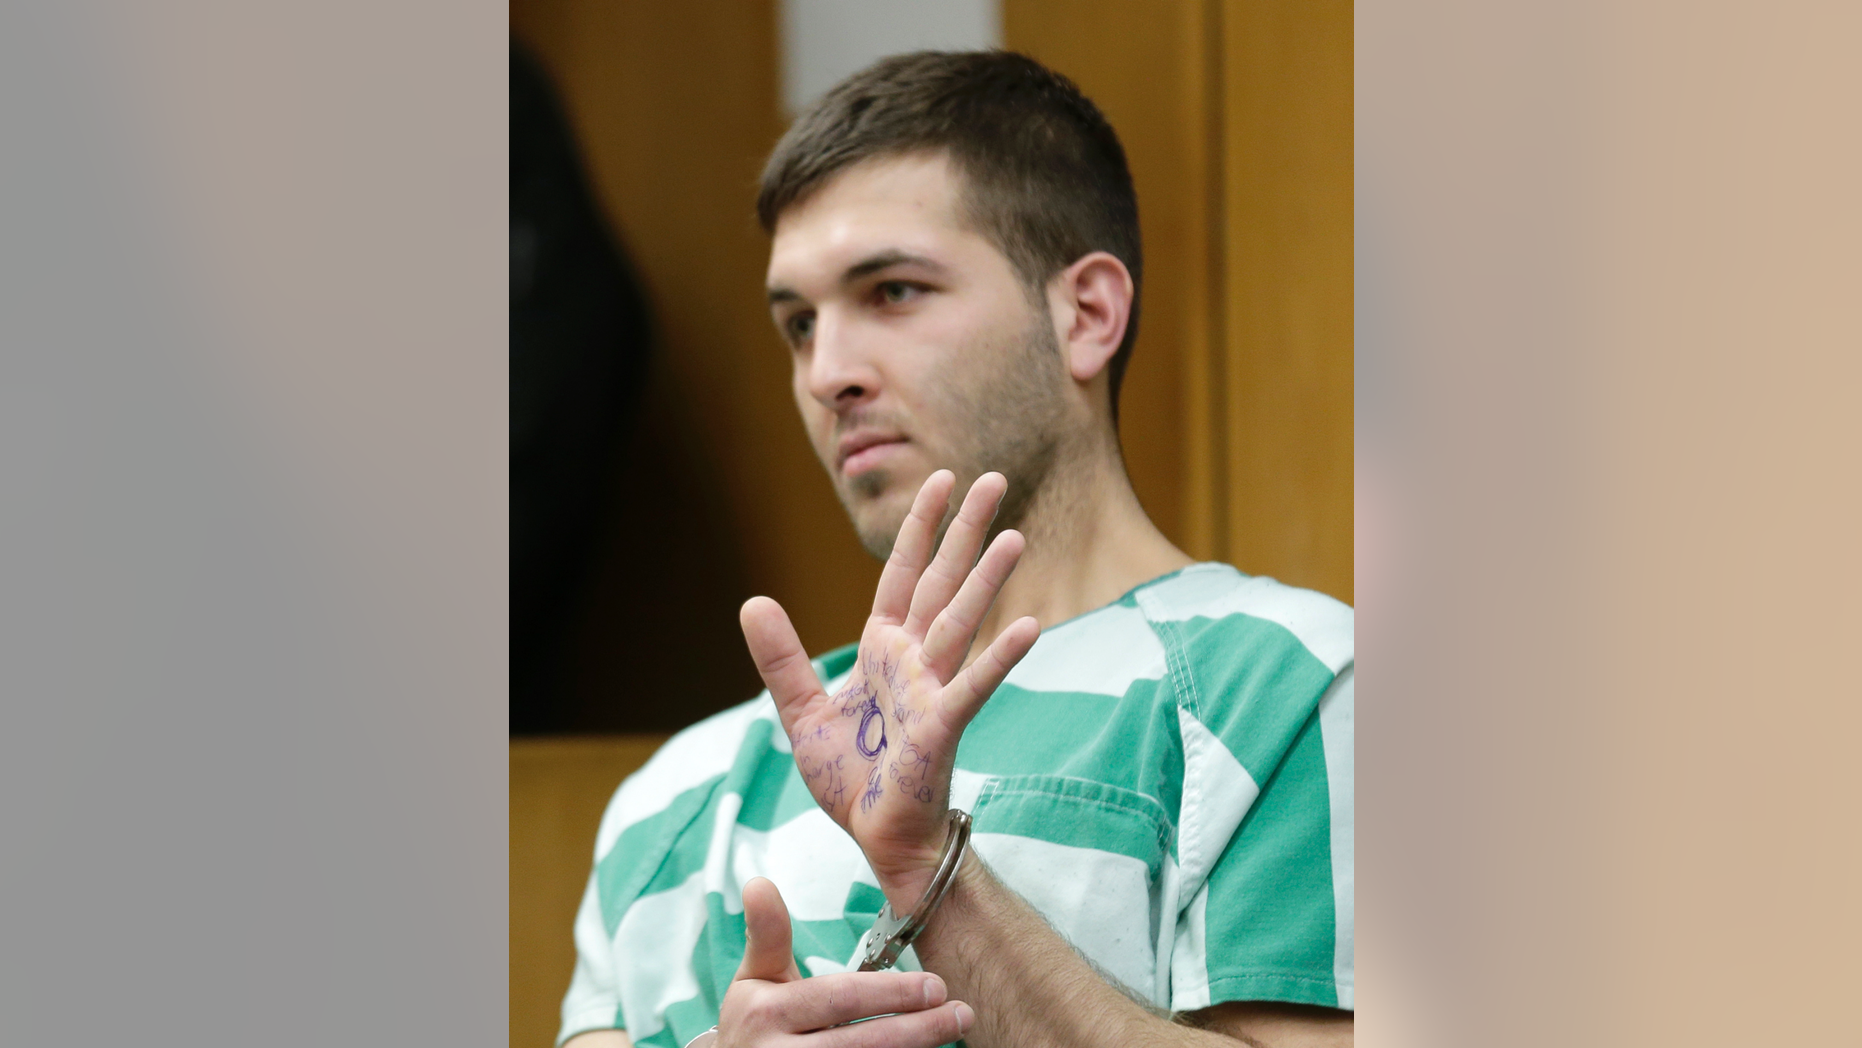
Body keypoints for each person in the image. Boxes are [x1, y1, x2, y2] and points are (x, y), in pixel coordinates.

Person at [558, 50, 1353, 1048]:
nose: (826, 372)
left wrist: (933, 871)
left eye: (891, 291)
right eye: (798, 323)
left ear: (1086, 314)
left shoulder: (1292, 685)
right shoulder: (676, 795)